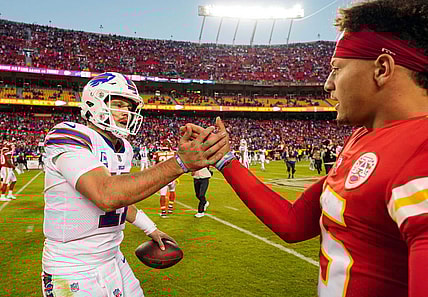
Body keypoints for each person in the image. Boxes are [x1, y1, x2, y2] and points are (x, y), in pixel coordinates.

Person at [187, 1, 428, 295]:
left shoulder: (421, 151)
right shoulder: (363, 137)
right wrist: (225, 160)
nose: (328, 84)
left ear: (381, 68)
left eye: (337, 69)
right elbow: (293, 222)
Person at [41, 72, 227, 297]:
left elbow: (122, 202)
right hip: (72, 267)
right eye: (118, 104)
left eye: (129, 107)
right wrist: (180, 163)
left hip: (112, 258)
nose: (126, 114)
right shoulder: (68, 134)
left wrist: (151, 228)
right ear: (94, 102)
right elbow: (105, 194)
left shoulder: (124, 148)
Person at [152, 140, 177, 217]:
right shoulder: (174, 153)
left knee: (163, 194)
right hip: (172, 175)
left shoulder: (157, 154)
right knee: (172, 191)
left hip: (163, 176)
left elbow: (154, 166)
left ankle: (163, 211)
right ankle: (170, 208)